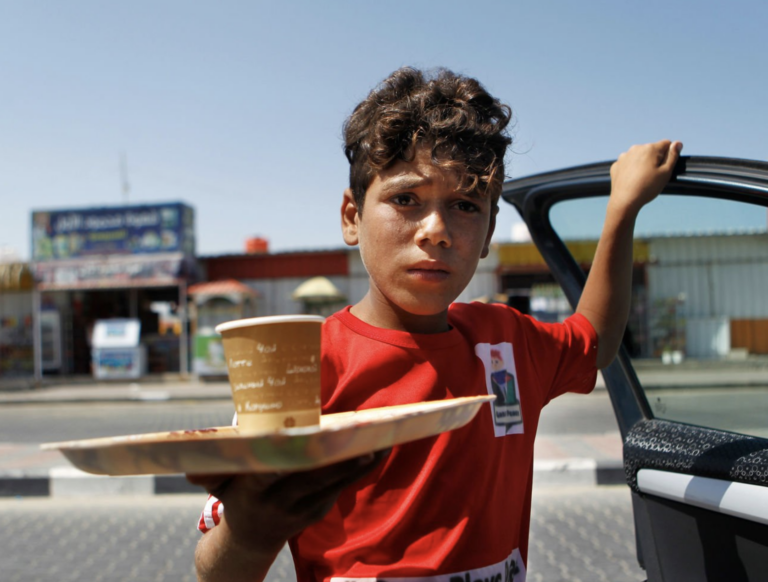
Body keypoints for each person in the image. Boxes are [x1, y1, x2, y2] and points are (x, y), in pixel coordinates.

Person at [188, 66, 682, 582]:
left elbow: (595, 340)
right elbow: (215, 570)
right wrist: (249, 532)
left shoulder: (505, 343)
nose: (437, 231)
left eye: (465, 205)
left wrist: (622, 206)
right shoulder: (302, 367)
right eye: (406, 200)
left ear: (489, 231)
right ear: (352, 216)